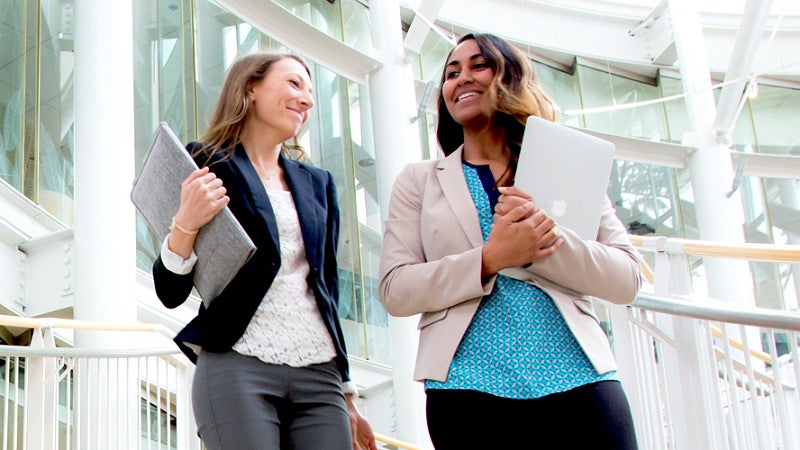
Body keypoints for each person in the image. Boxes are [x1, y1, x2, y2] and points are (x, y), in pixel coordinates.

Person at [379, 33, 643, 449]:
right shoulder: (419, 181)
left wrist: (542, 239)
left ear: (509, 77)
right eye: (451, 72)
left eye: (478, 65)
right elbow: (396, 289)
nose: (461, 78)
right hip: (468, 390)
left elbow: (626, 279)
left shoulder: (566, 168)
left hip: (581, 380)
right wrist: (488, 258)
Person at [152, 52, 377, 450]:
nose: (306, 100)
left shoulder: (318, 183)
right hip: (238, 363)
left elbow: (326, 288)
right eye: (294, 83)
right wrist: (185, 221)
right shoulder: (206, 163)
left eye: (310, 91)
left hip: (320, 374)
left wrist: (348, 393)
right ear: (251, 87)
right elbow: (170, 292)